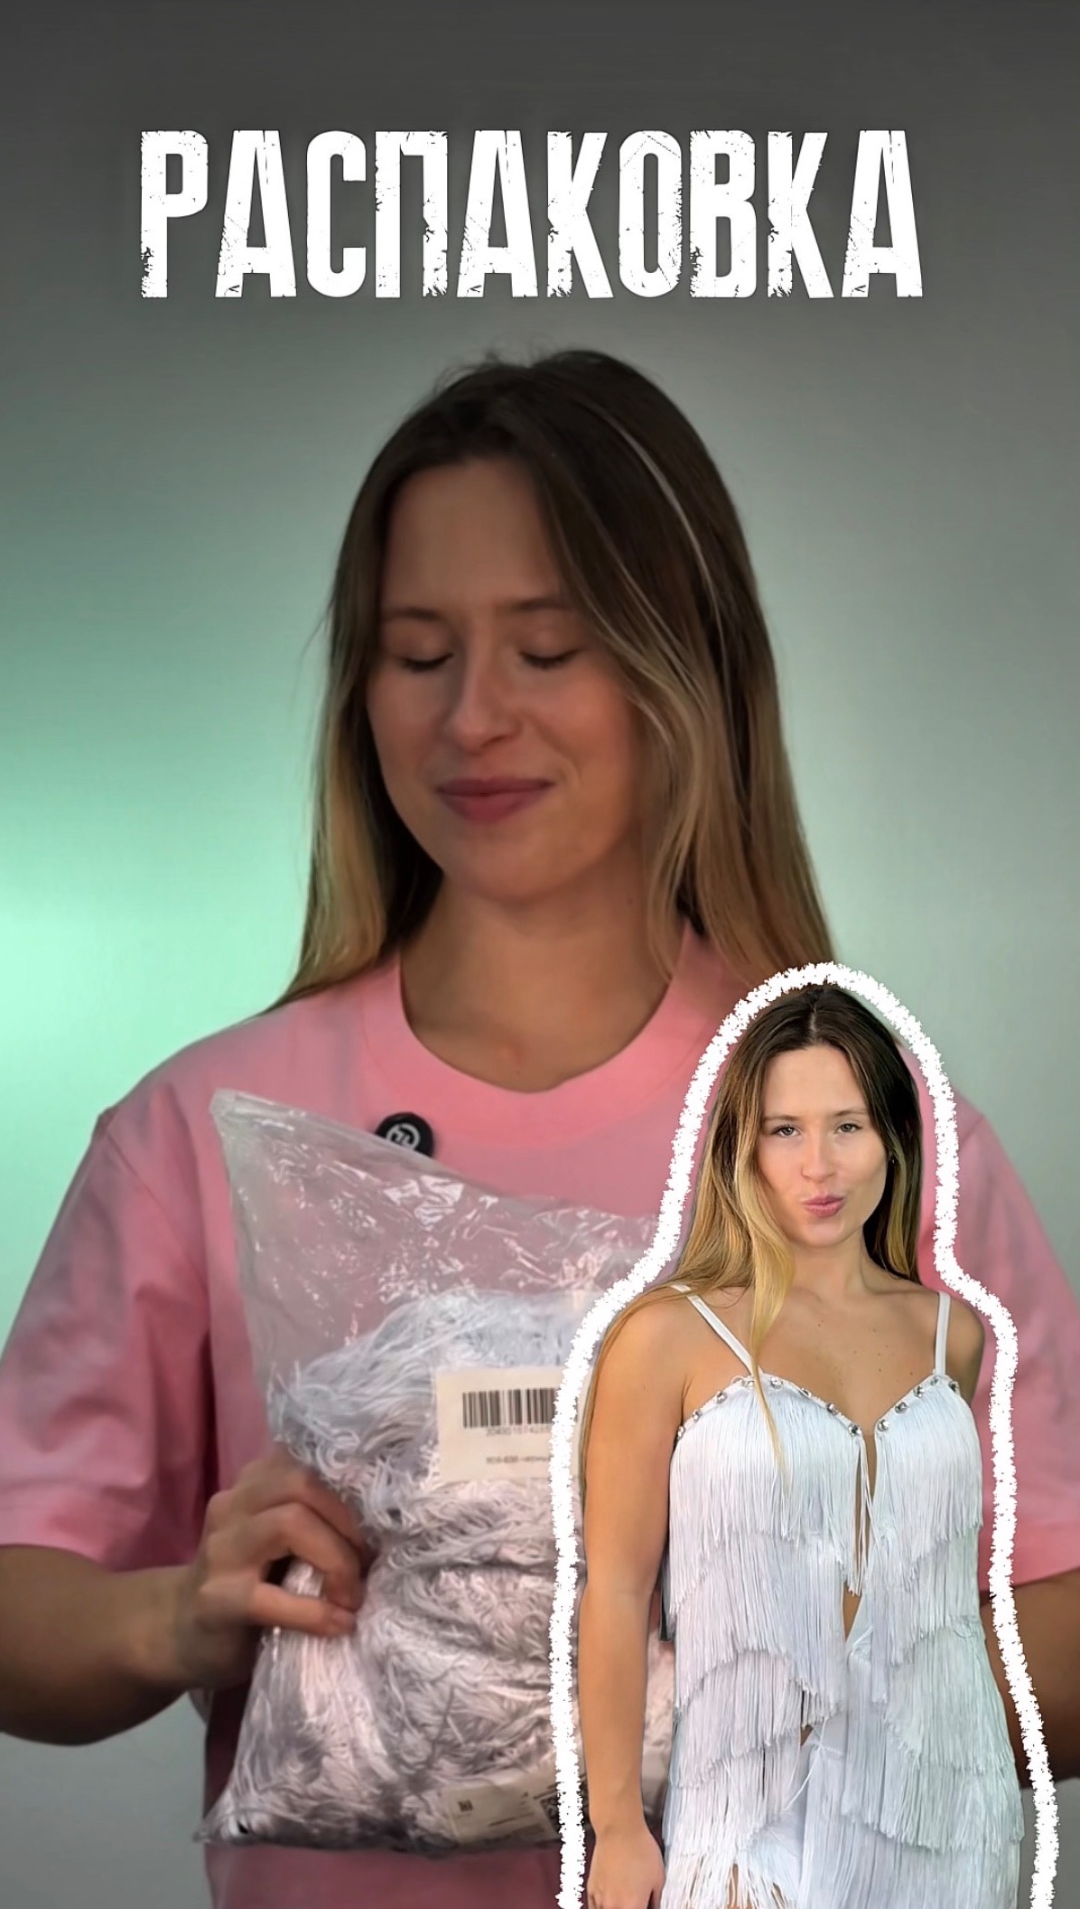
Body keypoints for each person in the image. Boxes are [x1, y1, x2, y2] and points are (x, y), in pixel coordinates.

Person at [0, 350, 1075, 1909]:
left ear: (683, 672)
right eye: (417, 653)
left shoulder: (865, 1127)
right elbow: (23, 1598)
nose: (475, 716)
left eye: (549, 647)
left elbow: (1061, 1611)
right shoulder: (203, 1133)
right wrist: (175, 1618)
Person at [576, 985, 1025, 1909]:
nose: (819, 1165)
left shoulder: (953, 1335)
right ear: (741, 1147)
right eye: (784, 1130)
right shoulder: (664, 1338)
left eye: (847, 1126)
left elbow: (939, 1584)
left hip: (946, 1806)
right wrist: (617, 1827)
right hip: (746, 1814)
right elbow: (616, 1592)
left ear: (893, 1141)